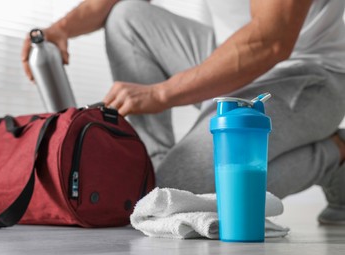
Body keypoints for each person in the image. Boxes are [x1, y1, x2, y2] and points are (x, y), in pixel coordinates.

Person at [21, 0, 345, 224]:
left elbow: (270, 41)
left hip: (311, 74)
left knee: (175, 195)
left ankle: (334, 156)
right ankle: (150, 167)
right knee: (126, 16)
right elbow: (106, 5)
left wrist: (162, 93)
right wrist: (59, 30)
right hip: (230, 52)